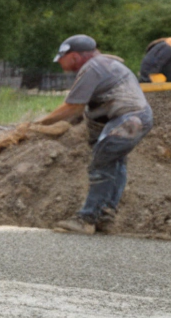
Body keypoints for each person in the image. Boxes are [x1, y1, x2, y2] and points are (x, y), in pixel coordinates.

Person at [39, 35, 152, 234]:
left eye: (62, 59)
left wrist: (40, 124)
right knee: (116, 163)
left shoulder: (92, 67)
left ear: (74, 56)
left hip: (129, 120)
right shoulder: (104, 64)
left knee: (102, 163)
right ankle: (105, 215)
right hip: (138, 118)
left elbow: (73, 107)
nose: (60, 63)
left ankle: (87, 219)